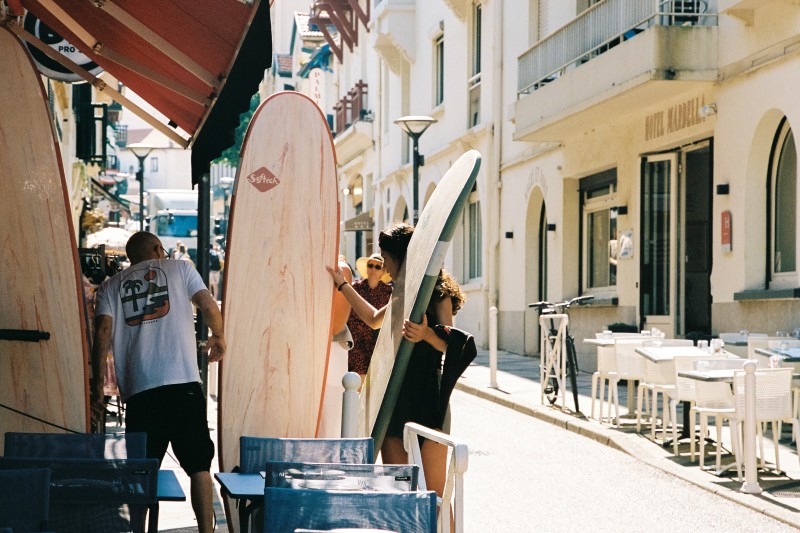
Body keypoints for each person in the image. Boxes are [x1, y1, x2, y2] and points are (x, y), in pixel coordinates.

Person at [91, 231, 225, 533]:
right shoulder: (181, 269)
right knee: (199, 466)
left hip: (141, 392)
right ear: (157, 248)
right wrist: (219, 337)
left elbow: (102, 334)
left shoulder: (111, 286)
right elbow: (208, 306)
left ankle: (140, 530)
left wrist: (97, 389)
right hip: (184, 385)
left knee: (141, 472)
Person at [326, 222, 467, 507]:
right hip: (396, 398)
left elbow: (453, 344)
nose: (384, 266)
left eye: (386, 258)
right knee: (399, 492)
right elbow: (373, 319)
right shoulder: (402, 291)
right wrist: (343, 286)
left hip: (430, 399)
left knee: (436, 498)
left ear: (401, 256)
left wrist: (426, 334)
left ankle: (439, 527)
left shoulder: (437, 292)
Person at [318, 256, 354, 437]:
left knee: (329, 427)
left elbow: (336, 326)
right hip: (305, 351)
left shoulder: (340, 268)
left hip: (329, 351)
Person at [348, 253, 392, 384]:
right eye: (370, 265)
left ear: (383, 271)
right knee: (357, 380)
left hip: (378, 342)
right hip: (357, 340)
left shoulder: (389, 292)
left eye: (377, 267)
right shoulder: (355, 287)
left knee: (375, 380)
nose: (373, 269)